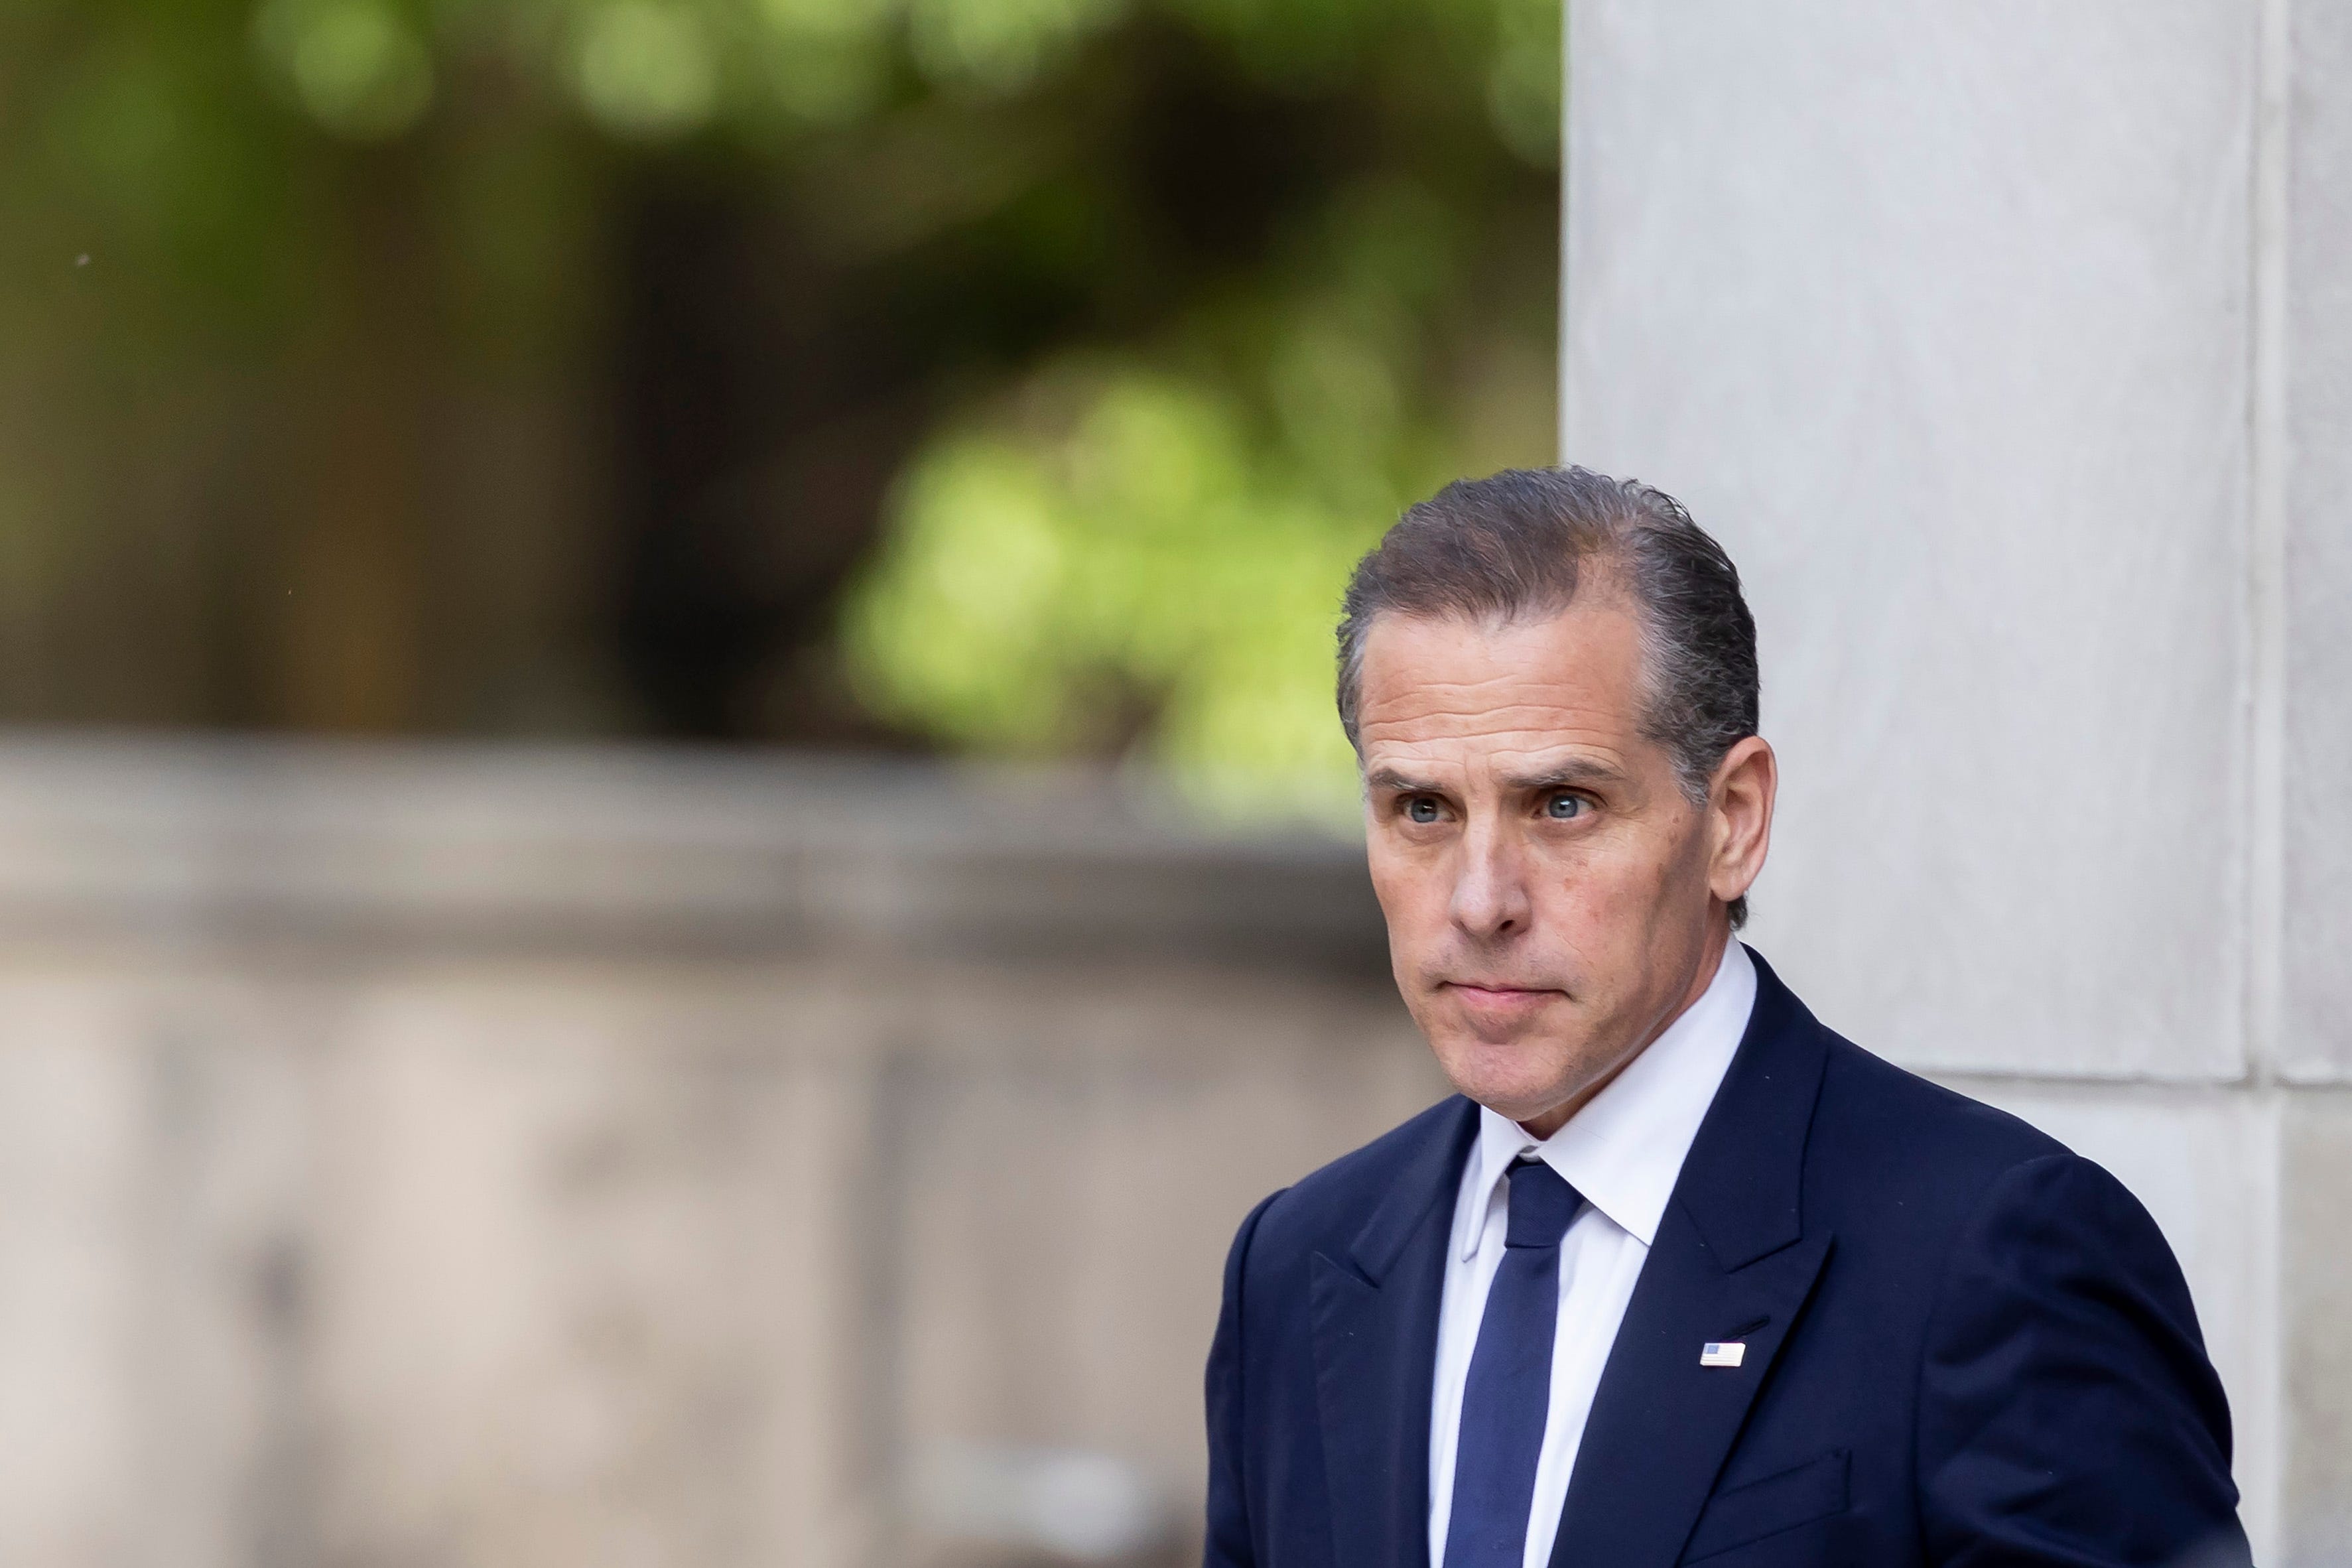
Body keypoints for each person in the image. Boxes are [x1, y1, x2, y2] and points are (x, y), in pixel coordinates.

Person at [1201, 468, 2249, 1568]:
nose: (1479, 902)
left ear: (1733, 822)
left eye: (1562, 806)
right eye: (1421, 809)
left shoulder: (1993, 1258)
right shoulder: (1298, 1261)